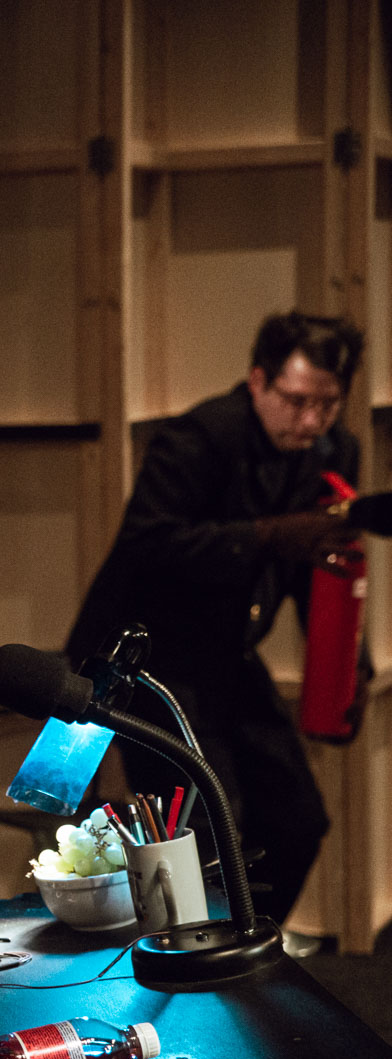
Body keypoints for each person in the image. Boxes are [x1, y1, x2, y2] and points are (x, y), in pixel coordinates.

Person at [67, 310, 367, 940]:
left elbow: (317, 564)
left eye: (328, 404)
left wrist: (348, 670)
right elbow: (148, 543)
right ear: (258, 381)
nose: (311, 421)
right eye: (296, 401)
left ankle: (243, 946)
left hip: (227, 654)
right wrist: (271, 535)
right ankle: (188, 960)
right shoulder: (200, 438)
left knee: (297, 819)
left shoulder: (335, 452)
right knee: (201, 825)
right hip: (147, 658)